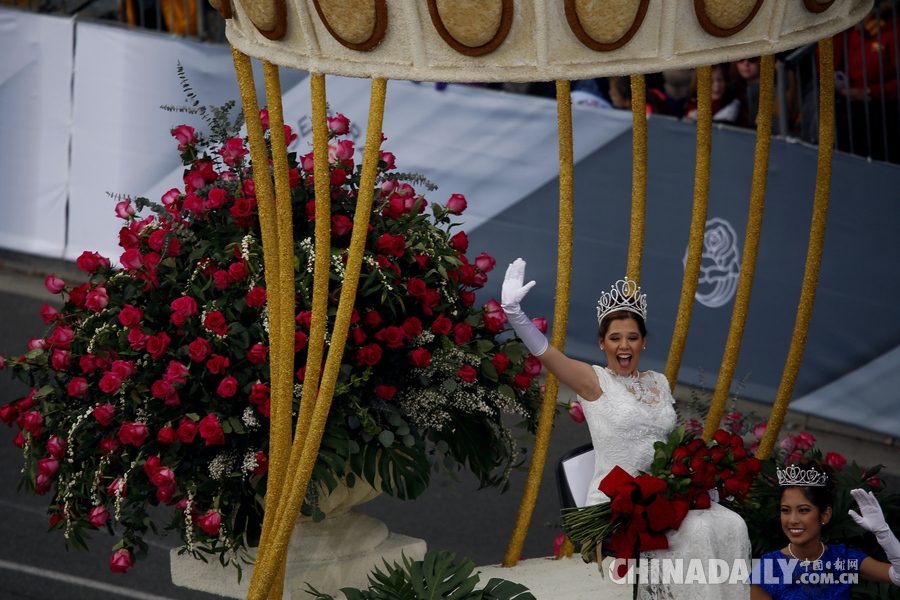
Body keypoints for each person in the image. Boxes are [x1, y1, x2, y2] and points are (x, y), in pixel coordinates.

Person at [501, 260, 750, 599]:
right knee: (701, 530)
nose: (624, 346)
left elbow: (668, 445)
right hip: (618, 503)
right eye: (615, 338)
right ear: (602, 343)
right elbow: (547, 354)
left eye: (632, 338)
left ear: (643, 342)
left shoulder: (658, 383)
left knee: (733, 523)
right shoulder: (594, 381)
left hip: (666, 495)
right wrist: (515, 314)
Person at [749, 462, 899, 599]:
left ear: (825, 515)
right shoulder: (770, 567)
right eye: (785, 510)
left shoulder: (843, 560)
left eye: (803, 510)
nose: (792, 520)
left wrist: (883, 532)